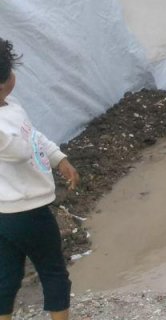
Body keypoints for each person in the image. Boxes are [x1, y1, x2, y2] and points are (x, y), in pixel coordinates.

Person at [0, 38, 79, 320]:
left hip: (6, 215)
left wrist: (59, 158)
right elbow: (20, 151)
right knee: (53, 271)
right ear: (6, 79)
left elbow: (32, 136)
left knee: (6, 276)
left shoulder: (12, 107)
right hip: (28, 212)